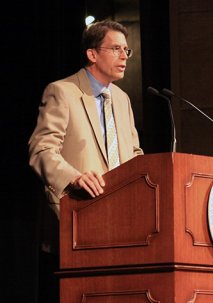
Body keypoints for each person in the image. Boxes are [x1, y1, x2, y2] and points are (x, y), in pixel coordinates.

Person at [28, 19, 144, 302]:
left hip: (122, 223)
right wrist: (74, 177)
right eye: (115, 48)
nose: (123, 57)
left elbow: (134, 154)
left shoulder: (122, 99)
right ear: (92, 54)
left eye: (126, 50)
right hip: (76, 217)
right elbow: (41, 150)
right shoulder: (62, 91)